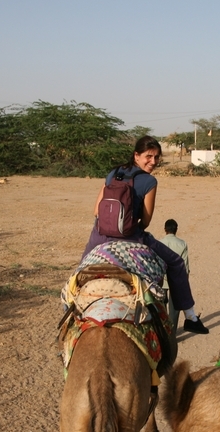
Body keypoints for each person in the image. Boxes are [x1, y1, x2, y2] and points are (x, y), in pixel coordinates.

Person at [81, 135, 208, 335]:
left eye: (156, 157)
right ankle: (191, 316)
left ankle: (70, 315)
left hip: (100, 234)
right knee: (175, 262)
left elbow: (96, 211)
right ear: (136, 155)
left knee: (81, 273)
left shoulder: (113, 173)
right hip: (131, 235)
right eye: (149, 156)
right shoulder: (149, 181)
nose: (153, 162)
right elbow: (147, 221)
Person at [158, 219, 188, 335]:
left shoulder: (159, 244)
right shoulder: (182, 244)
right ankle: (172, 334)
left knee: (161, 306)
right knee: (174, 309)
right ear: (176, 230)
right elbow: (185, 266)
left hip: (161, 279)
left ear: (165, 230)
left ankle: (163, 332)